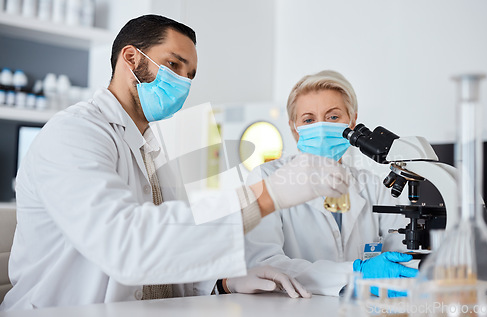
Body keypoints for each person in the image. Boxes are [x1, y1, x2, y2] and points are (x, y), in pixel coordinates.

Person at [0, 16, 352, 311]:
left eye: (190, 75)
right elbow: (126, 244)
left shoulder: (152, 147)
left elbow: (166, 247)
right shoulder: (74, 133)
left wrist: (223, 280)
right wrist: (266, 195)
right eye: (173, 65)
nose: (182, 82)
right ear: (130, 58)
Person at [244, 70, 418, 296]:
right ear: (294, 128)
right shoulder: (265, 178)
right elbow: (267, 264)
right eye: (308, 119)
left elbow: (402, 252)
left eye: (333, 117)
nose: (322, 128)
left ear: (353, 121)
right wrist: (355, 274)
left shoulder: (374, 186)